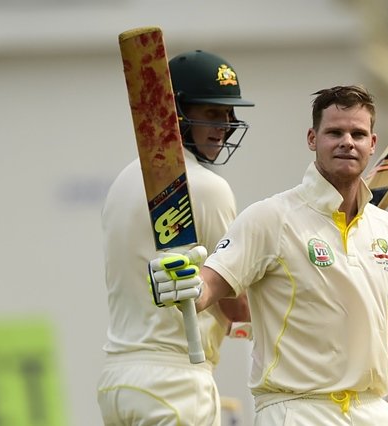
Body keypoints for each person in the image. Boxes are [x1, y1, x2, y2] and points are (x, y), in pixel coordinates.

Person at [150, 85, 388, 425]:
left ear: (373, 143)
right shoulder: (270, 218)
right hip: (298, 410)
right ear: (312, 138)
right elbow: (210, 285)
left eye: (358, 133)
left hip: (374, 411)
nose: (347, 142)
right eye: (334, 132)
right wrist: (186, 285)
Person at [96, 50, 253, 426]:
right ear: (177, 114)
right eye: (212, 113)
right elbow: (236, 305)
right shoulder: (208, 188)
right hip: (175, 382)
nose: (224, 126)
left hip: (118, 382)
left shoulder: (121, 182)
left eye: (229, 115)